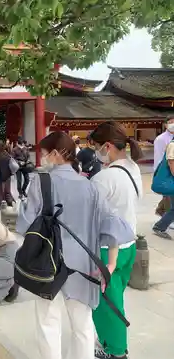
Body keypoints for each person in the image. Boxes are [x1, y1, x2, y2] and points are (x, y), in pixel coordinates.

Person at [16, 131, 135, 359]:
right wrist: (110, 264)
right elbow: (111, 225)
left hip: (47, 263)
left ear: (55, 153)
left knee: (48, 321)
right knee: (82, 325)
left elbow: (25, 224)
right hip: (83, 265)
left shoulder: (41, 182)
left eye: (44, 154)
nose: (42, 158)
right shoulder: (90, 186)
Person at [89, 122, 142, 359]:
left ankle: (115, 351)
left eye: (98, 147)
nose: (96, 153)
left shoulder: (105, 177)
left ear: (108, 146)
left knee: (106, 306)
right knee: (116, 298)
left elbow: (88, 214)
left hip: (106, 249)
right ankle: (116, 345)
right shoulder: (133, 168)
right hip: (128, 246)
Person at [153, 116, 174, 218]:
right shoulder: (161, 139)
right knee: (168, 194)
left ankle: (161, 210)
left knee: (169, 194)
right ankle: (167, 218)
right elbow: (159, 156)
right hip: (165, 169)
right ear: (166, 125)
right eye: (171, 122)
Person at [0, 140, 15, 208]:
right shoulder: (7, 154)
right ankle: (11, 204)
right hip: (8, 176)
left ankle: (1, 206)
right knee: (7, 191)